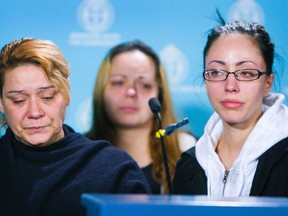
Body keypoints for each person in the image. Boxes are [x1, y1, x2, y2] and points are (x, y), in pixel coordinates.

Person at [0, 37, 151, 216]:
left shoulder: (114, 170)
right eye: (19, 100)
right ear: (1, 103)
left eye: (47, 97)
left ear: (66, 94)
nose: (35, 112)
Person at [173, 19, 288, 197]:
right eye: (217, 72)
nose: (230, 86)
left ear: (268, 83)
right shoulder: (188, 165)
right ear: (205, 80)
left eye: (246, 73)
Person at [85, 40, 197, 194]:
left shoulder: (191, 152)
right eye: (118, 82)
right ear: (101, 90)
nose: (131, 92)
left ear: (160, 95)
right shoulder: (79, 154)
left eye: (144, 85)